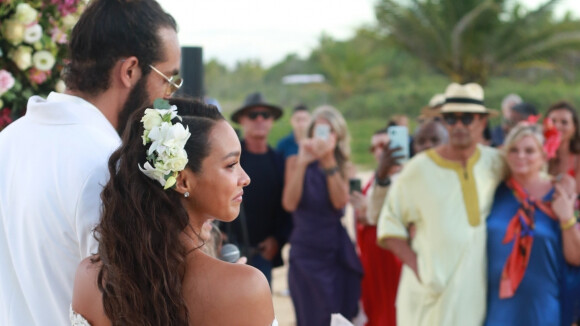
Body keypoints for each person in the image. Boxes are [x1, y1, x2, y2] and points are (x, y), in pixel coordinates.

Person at [0, 1, 181, 325]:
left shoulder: (8, 140)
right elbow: (127, 307)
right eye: (166, 78)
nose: (166, 97)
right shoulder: (107, 165)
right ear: (129, 71)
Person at [70, 98, 276, 326]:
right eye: (231, 165)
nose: (245, 178)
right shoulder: (245, 287)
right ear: (182, 180)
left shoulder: (89, 277)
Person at [377, 82, 505, 326]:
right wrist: (421, 271)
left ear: (482, 122)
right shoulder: (418, 169)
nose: (457, 126)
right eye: (450, 118)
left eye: (466, 118)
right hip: (430, 295)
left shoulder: (496, 163)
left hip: (475, 293)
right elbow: (389, 222)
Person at [485, 122, 580, 326]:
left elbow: (576, 257)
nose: (520, 156)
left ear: (543, 156)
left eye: (529, 150)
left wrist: (567, 218)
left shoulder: (558, 194)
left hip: (543, 307)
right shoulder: (494, 191)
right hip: (498, 306)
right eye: (514, 150)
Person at [283, 105, 363, 326]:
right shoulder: (294, 161)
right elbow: (289, 203)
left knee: (337, 313)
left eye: (328, 132)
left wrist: (328, 162)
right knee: (309, 315)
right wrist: (302, 162)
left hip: (334, 250)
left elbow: (339, 203)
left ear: (337, 136)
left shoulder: (345, 167)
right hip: (305, 250)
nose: (322, 138)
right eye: (318, 131)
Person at [224, 92, 291, 284]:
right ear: (242, 120)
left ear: (271, 121)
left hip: (263, 254)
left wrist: (278, 240)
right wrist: (217, 231)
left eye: (265, 115)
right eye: (253, 115)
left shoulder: (279, 161)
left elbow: (286, 207)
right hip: (229, 251)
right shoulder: (229, 160)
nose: (260, 119)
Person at [546, 101, 580, 192]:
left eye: (564, 122)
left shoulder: (577, 158)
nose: (557, 126)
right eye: (553, 121)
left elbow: (576, 192)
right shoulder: (536, 153)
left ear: (574, 128)